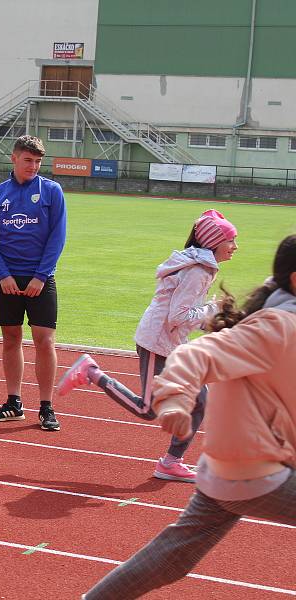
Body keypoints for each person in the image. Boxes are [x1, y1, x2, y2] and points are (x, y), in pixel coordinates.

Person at [84, 234, 296, 599]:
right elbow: (193, 355)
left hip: (227, 470)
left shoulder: (277, 312)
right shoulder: (277, 325)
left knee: (172, 557)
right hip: (256, 470)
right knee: (173, 555)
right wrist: (175, 400)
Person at [58, 210, 238, 482]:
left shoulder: (200, 266)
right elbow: (178, 316)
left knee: (200, 400)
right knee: (147, 409)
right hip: (158, 343)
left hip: (171, 343)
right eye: (231, 240)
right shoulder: (198, 271)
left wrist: (210, 318)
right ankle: (91, 372)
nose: (235, 246)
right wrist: (211, 311)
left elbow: (183, 314)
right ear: (214, 242)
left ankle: (170, 462)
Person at [0, 135, 66, 431]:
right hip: (6, 278)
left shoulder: (52, 191)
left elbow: (57, 237)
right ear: (13, 158)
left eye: (38, 161)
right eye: (28, 160)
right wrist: (2, 274)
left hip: (40, 278)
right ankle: (14, 403)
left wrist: (41, 276)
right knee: (11, 338)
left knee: (44, 340)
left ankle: (46, 406)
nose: (33, 166)